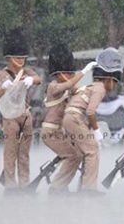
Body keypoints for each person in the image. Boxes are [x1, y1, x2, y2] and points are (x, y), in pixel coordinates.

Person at [62, 47, 123, 194]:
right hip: (75, 118)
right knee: (92, 150)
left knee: (81, 152)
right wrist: (96, 131)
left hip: (70, 118)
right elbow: (90, 111)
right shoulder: (100, 88)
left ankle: (62, 186)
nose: (113, 86)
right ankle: (88, 189)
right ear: (108, 79)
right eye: (113, 82)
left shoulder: (89, 86)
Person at [41, 43, 96, 194]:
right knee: (72, 156)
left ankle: (74, 186)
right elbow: (71, 84)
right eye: (67, 72)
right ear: (58, 73)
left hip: (61, 132)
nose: (71, 76)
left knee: (78, 154)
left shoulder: (68, 88)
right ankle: (57, 187)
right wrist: (84, 71)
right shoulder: (53, 86)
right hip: (50, 132)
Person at [0, 28, 40, 190]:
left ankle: (25, 183)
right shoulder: (1, 75)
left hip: (25, 115)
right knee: (10, 153)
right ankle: (10, 185)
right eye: (17, 57)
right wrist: (4, 87)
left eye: (22, 57)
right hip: (10, 116)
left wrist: (31, 80)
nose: (21, 59)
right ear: (9, 58)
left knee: (24, 154)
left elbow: (38, 78)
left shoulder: (26, 72)